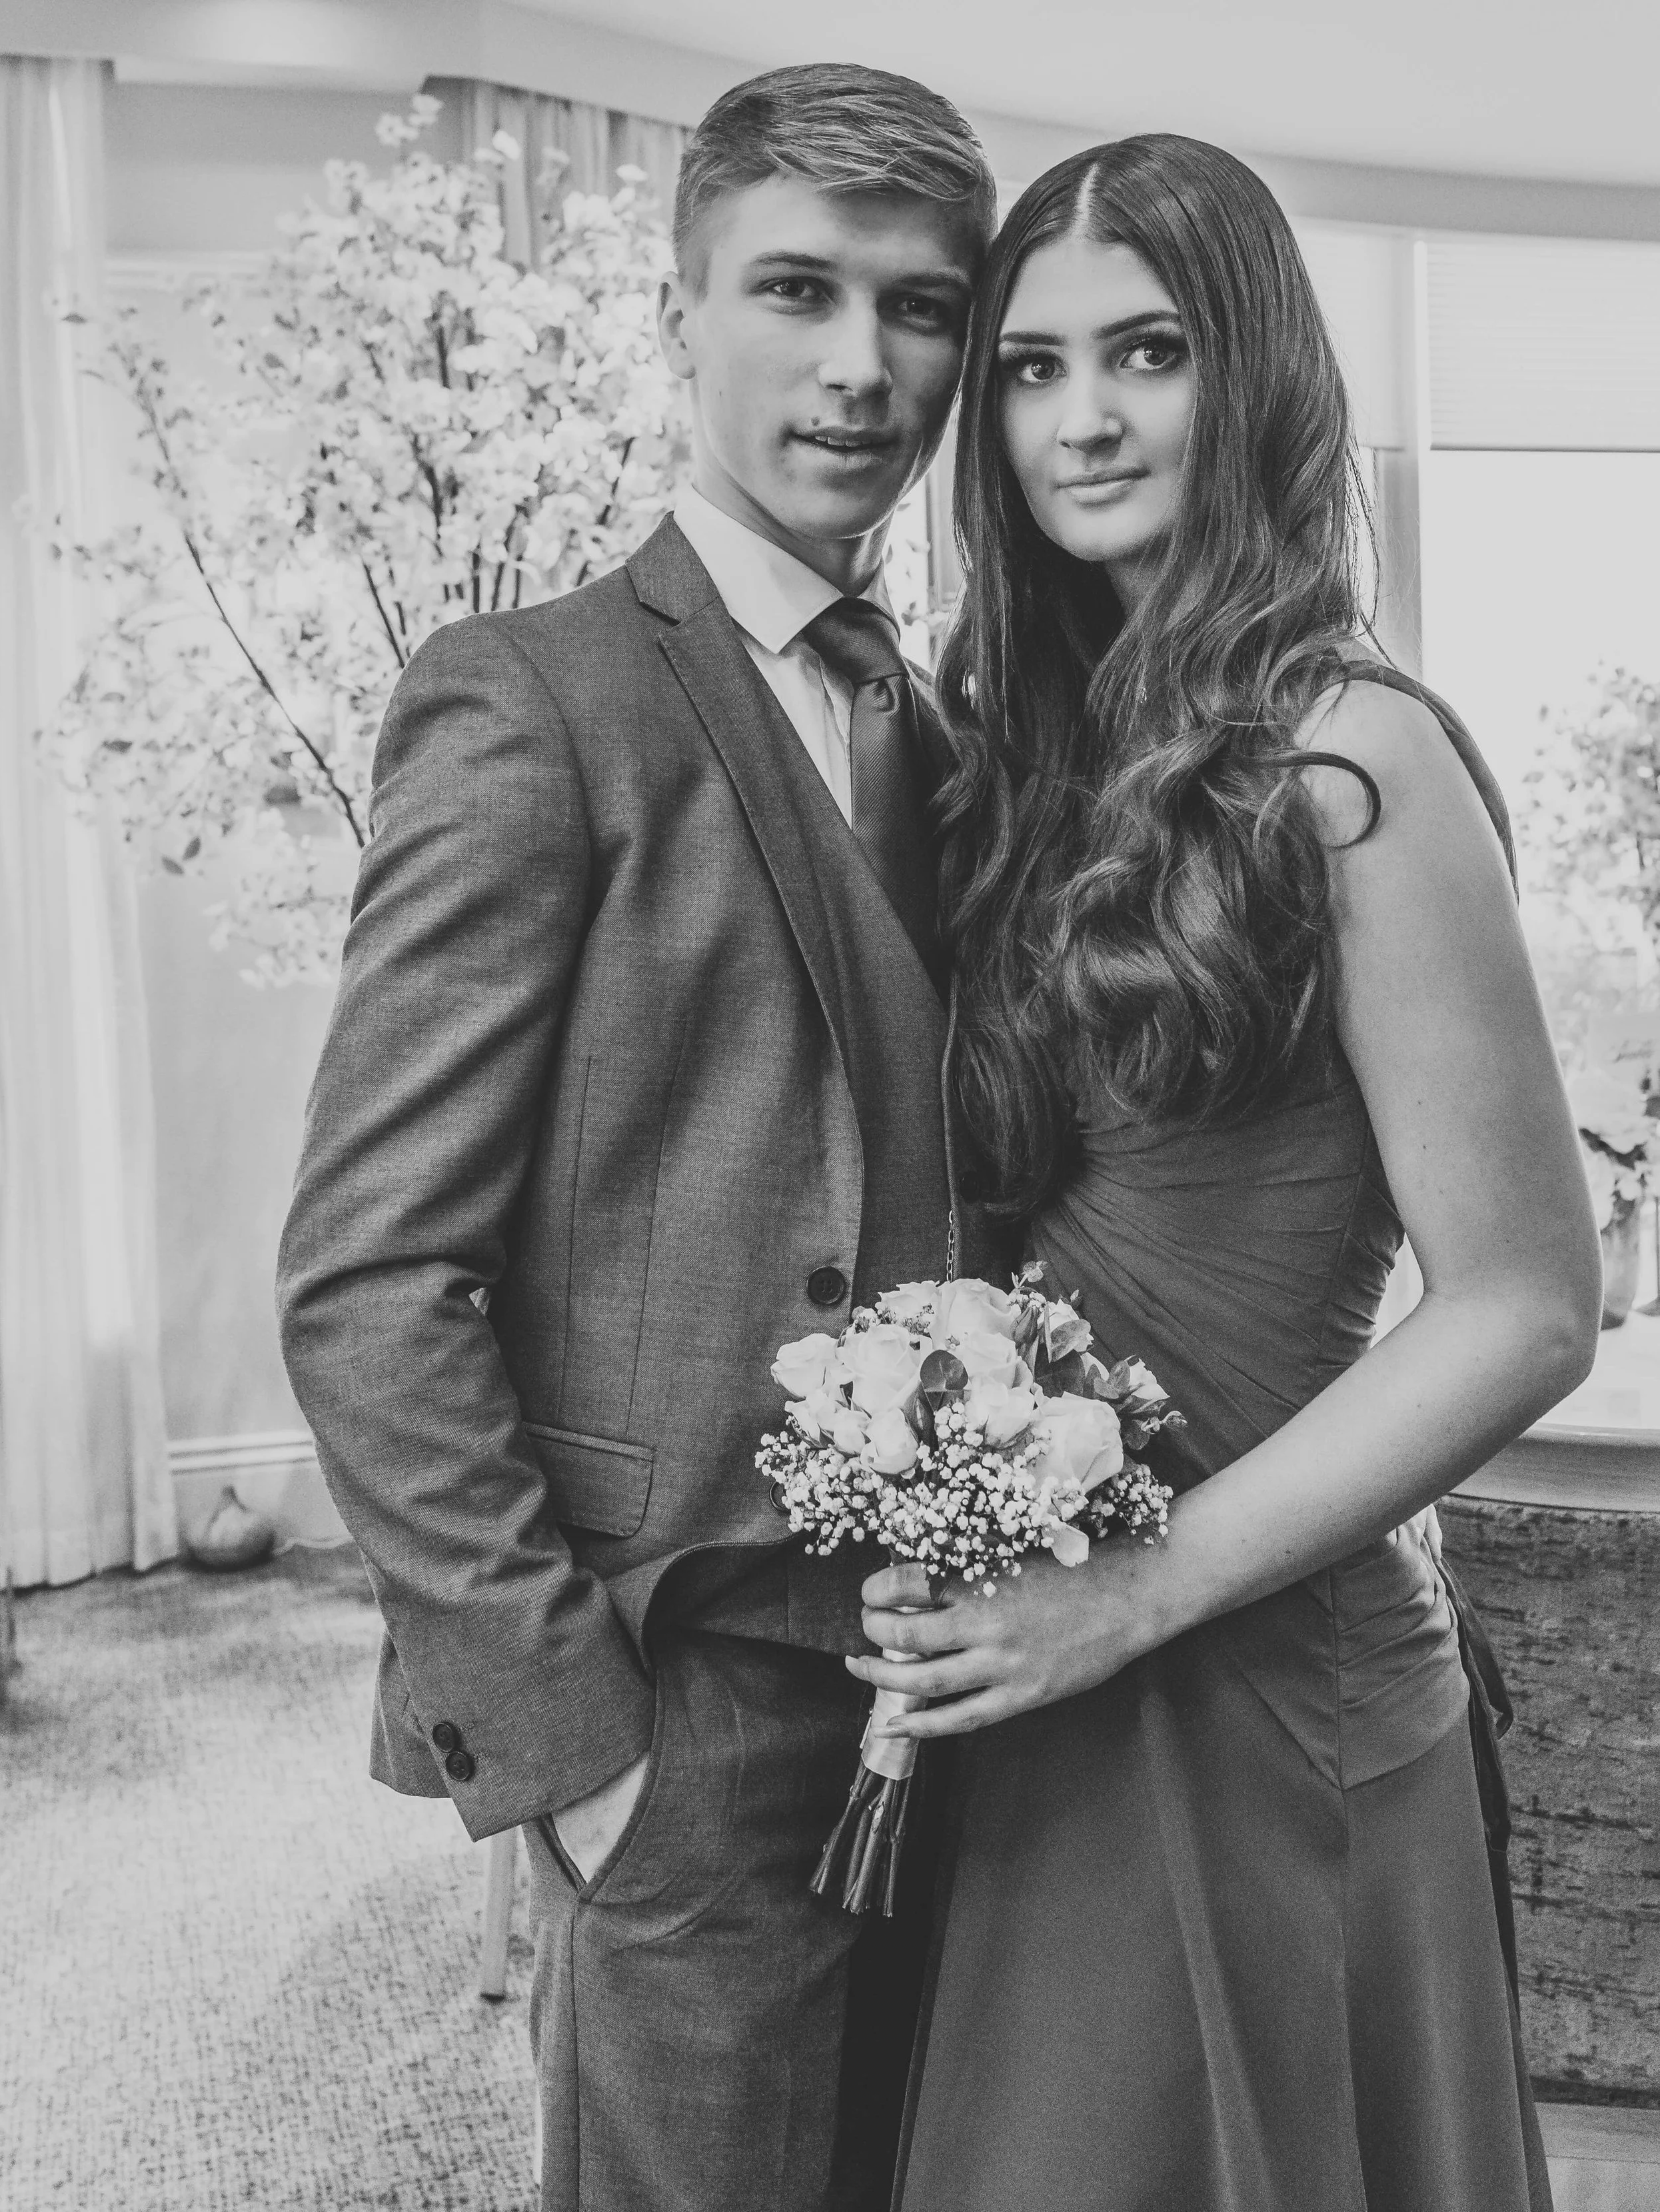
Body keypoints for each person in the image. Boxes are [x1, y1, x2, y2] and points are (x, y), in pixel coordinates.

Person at [848, 135, 1603, 2212]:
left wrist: (1139, 1586)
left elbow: (1527, 1302)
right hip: (1040, 1668)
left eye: (1147, 351)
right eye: (1030, 366)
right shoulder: (1010, 754)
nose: (1080, 417)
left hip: (1257, 1668)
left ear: (1250, 373)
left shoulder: (1352, 756)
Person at [275, 64, 999, 2212]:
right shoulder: (530, 696)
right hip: (680, 1703)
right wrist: (578, 1750)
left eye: (920, 307)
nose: (860, 364)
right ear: (680, 313)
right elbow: (369, 1275)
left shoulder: (954, 734)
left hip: (969, 1685)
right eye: (796, 288)